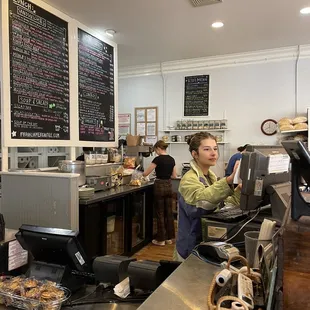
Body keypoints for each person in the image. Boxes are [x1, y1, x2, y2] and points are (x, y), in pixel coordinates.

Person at [175, 132, 241, 261]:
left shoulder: (210, 177)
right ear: (195, 154)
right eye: (207, 149)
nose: (213, 153)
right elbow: (202, 202)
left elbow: (222, 206)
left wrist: (238, 191)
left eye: (215, 149)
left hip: (205, 242)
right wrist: (228, 181)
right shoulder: (189, 179)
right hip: (191, 248)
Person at [143, 140, 177, 246]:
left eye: (155, 150)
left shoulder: (157, 159)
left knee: (160, 213)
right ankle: (169, 238)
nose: (155, 152)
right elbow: (174, 176)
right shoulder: (172, 159)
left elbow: (145, 173)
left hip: (159, 186)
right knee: (169, 212)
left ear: (158, 148)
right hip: (169, 186)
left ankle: (161, 239)